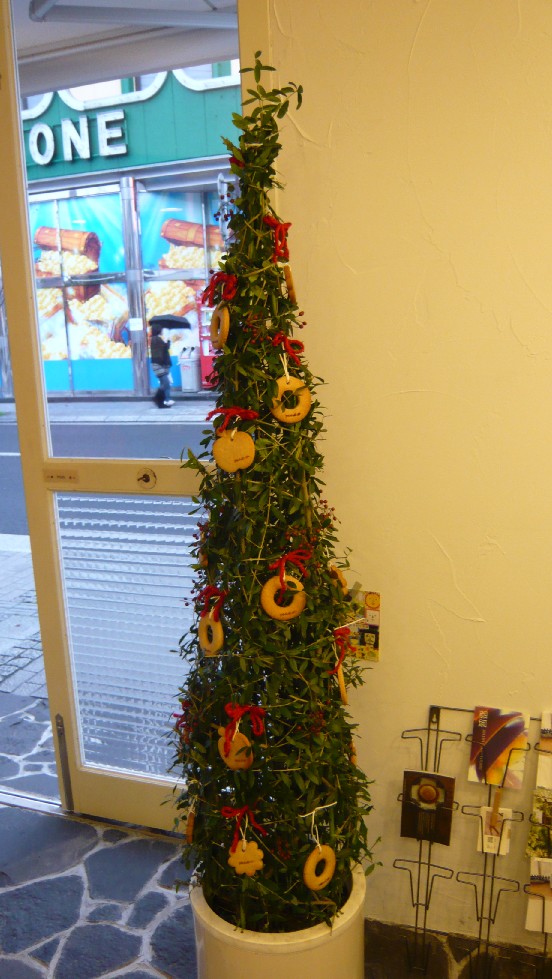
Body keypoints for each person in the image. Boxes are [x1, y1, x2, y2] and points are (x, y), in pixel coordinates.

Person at [149, 322, 174, 408]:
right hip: (158, 365)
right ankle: (158, 399)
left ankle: (162, 401)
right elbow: (162, 351)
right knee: (165, 383)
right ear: (158, 330)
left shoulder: (156, 339)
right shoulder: (156, 339)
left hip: (158, 364)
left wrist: (167, 341)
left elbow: (164, 348)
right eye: (161, 329)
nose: (162, 331)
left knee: (164, 383)